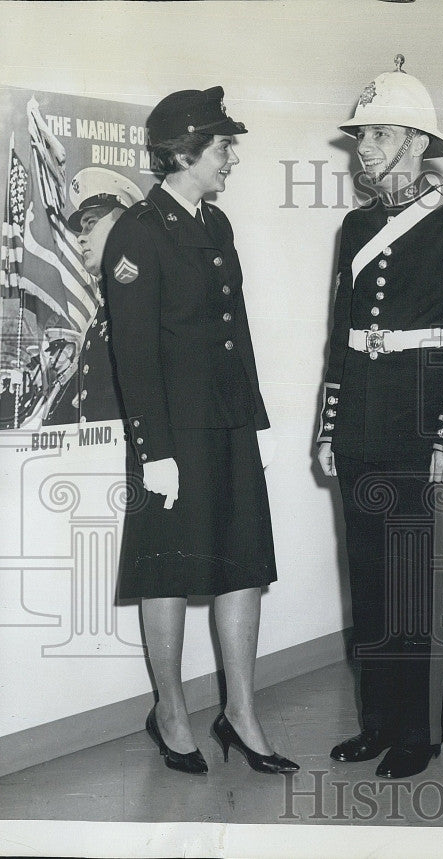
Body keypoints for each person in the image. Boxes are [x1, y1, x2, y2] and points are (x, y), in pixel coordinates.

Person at [104, 87, 297, 775]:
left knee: (242, 562)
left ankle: (240, 714)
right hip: (172, 437)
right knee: (169, 573)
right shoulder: (139, 231)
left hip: (227, 423)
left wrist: (258, 418)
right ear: (184, 152)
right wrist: (153, 451)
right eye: (223, 146)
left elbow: (233, 331)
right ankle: (172, 713)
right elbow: (132, 351)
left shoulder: (215, 226)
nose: (231, 157)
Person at [317, 56, 443, 780]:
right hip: (362, 421)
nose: (364, 148)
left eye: (380, 134)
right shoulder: (355, 224)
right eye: (361, 135)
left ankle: (419, 731)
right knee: (369, 577)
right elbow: (341, 334)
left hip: (426, 429)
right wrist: (330, 427)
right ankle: (379, 720)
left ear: (418, 143)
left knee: (417, 582)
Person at [64, 168, 142, 424]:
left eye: (91, 223)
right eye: (81, 229)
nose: (81, 239)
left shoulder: (146, 299)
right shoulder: (105, 309)